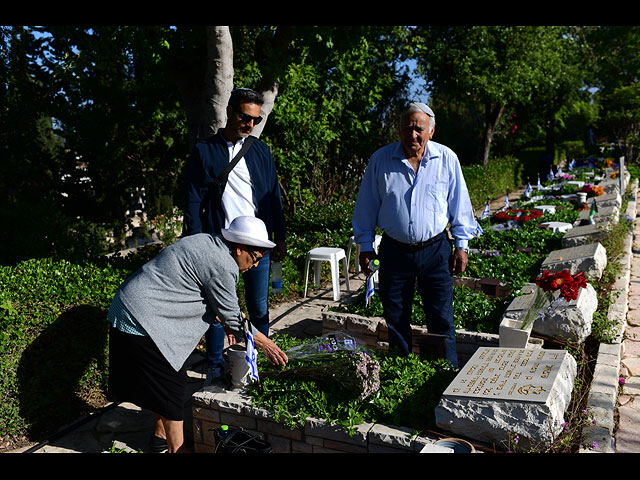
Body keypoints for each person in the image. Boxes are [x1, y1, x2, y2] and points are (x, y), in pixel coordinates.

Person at [107, 216, 288, 453]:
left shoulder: (207, 240)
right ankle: (177, 450)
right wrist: (265, 343)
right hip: (140, 319)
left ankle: (159, 439)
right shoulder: (224, 264)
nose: (254, 266)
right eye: (254, 258)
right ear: (240, 247)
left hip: (129, 306)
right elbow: (233, 316)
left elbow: (193, 286)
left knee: (164, 382)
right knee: (172, 387)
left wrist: (223, 317)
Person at [352, 102, 476, 368]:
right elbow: (366, 206)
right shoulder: (381, 160)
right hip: (394, 250)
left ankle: (441, 373)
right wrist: (365, 245)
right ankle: (402, 374)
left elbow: (459, 205)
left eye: (419, 129)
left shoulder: (447, 159)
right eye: (407, 128)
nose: (413, 135)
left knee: (441, 317)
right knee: (396, 317)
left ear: (431, 131)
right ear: (399, 130)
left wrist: (462, 245)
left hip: (436, 250)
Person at [182, 88, 287, 385]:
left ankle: (257, 364)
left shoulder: (260, 150)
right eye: (244, 116)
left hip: (257, 244)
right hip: (221, 244)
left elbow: (273, 196)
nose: (249, 124)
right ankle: (214, 367)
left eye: (255, 119)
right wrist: (194, 241)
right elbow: (192, 200)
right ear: (230, 110)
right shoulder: (204, 150)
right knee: (217, 310)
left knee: (258, 307)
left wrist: (280, 236)